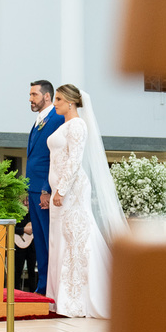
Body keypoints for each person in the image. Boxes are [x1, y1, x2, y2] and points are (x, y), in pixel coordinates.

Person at [46, 84, 128, 318]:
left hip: (71, 190)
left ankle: (77, 298)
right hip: (58, 191)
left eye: (59, 99)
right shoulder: (65, 125)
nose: (55, 104)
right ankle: (59, 297)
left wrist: (61, 190)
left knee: (77, 240)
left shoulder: (78, 125)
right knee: (59, 240)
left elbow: (74, 160)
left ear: (71, 102)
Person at [24, 80, 64, 293]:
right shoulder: (39, 120)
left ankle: (52, 287)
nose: (30, 99)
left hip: (44, 190)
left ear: (46, 96)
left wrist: (44, 189)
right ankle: (43, 287)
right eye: (30, 95)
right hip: (33, 190)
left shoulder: (57, 118)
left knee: (49, 240)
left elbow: (53, 157)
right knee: (39, 241)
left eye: (34, 94)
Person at [13, 220, 36, 292]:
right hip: (19, 244)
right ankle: (16, 291)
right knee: (17, 270)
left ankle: (33, 291)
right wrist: (23, 230)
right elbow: (11, 228)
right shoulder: (17, 213)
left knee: (32, 271)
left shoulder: (34, 213)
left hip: (33, 246)